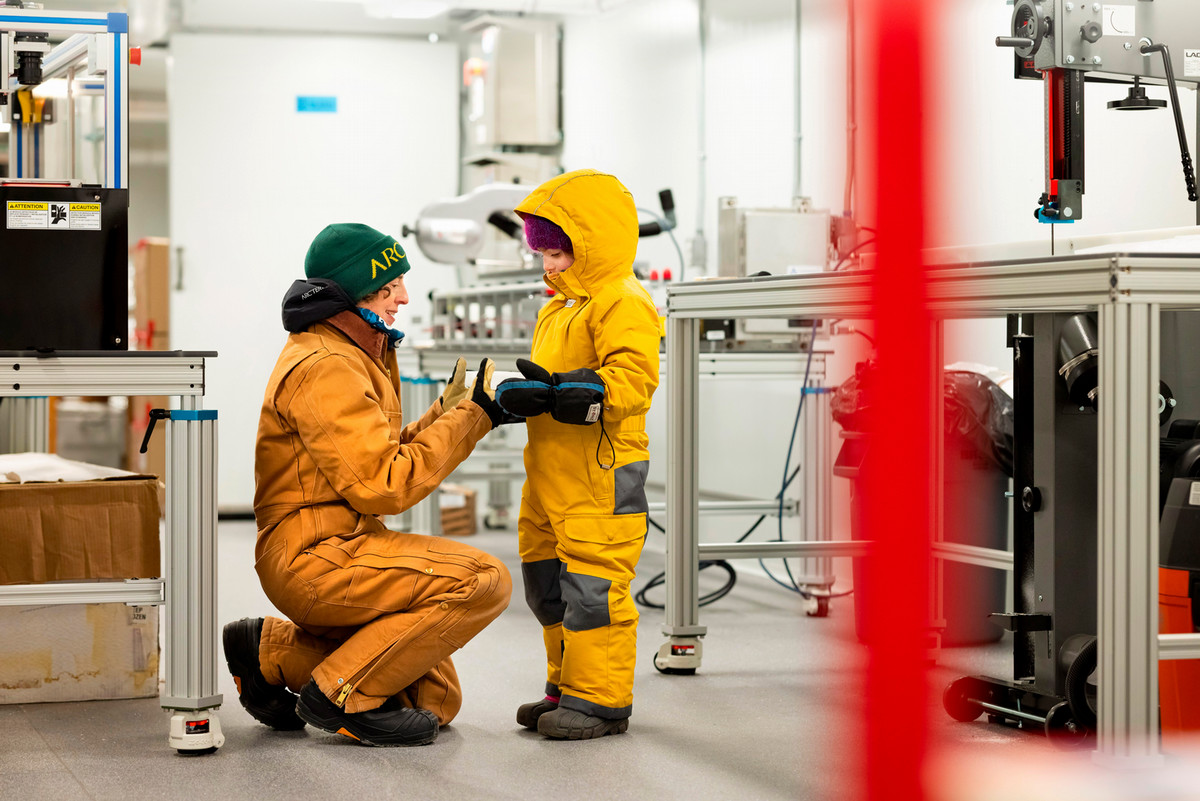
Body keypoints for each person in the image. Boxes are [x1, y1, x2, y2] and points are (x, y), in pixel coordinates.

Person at [223, 222, 512, 748]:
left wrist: (448, 415)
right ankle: (338, 697)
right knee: (484, 580)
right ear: (354, 295)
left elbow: (367, 456)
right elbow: (380, 486)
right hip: (318, 556)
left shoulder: (349, 350)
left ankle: (270, 652)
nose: (403, 296)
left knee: (433, 701)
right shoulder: (328, 365)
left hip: (346, 543)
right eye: (389, 286)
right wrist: (475, 419)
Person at [494, 169, 661, 740]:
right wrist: (530, 399)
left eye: (560, 254)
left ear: (593, 244)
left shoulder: (622, 300)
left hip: (600, 474)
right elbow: (554, 380)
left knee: (594, 587)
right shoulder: (557, 308)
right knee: (548, 587)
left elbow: (634, 379)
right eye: (542, 252)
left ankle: (600, 700)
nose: (549, 265)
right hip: (547, 476)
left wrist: (585, 394)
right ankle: (564, 687)